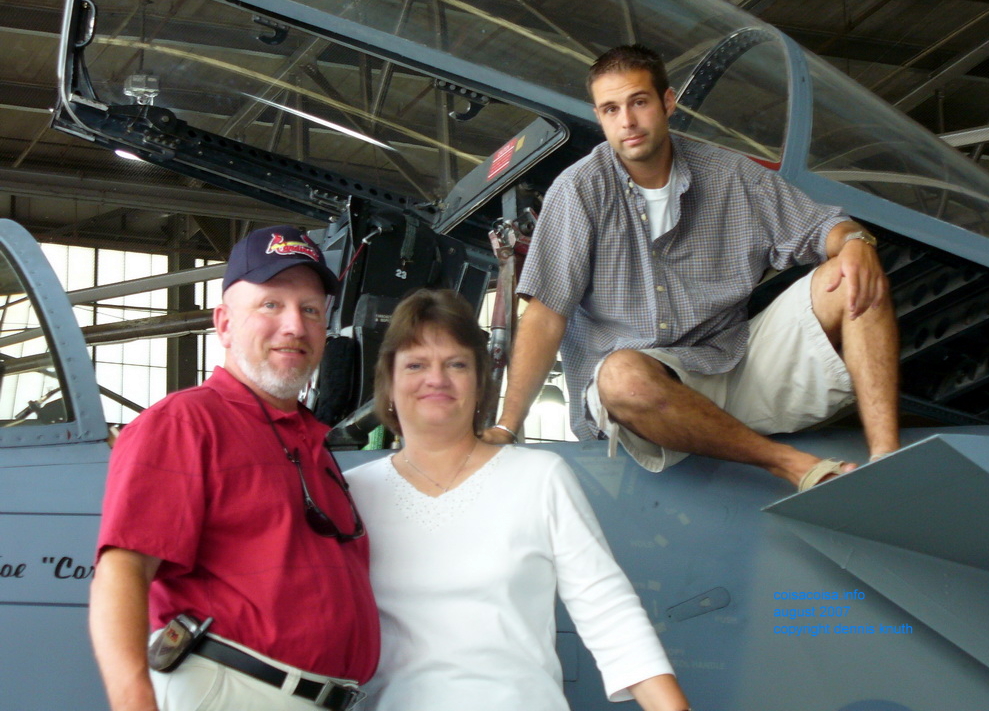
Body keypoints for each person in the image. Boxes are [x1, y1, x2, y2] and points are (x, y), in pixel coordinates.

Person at [484, 44, 900, 491]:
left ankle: (888, 461)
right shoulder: (579, 191)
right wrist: (507, 425)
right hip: (643, 398)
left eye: (639, 102)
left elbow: (822, 227)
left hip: (729, 361)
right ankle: (790, 465)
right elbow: (545, 316)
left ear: (667, 102)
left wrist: (855, 242)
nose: (627, 122)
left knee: (853, 276)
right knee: (622, 374)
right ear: (600, 116)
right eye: (611, 109)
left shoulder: (728, 174)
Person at [345, 288, 691, 711]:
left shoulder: (538, 477)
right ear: (390, 382)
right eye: (416, 364)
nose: (436, 379)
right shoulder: (350, 493)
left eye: (456, 364)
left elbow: (608, 609)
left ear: (480, 383)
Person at [89, 225, 379, 711]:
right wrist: (133, 701)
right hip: (235, 690)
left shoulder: (309, 440)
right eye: (271, 305)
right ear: (223, 324)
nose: (295, 325)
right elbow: (123, 570)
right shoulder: (185, 423)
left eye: (310, 310)